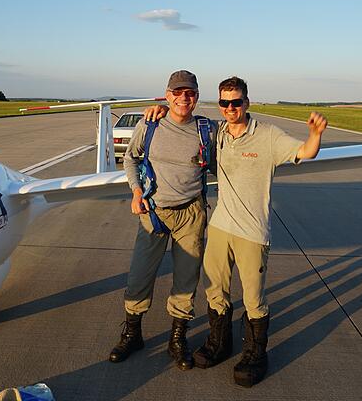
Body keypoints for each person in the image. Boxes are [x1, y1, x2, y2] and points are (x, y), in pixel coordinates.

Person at [144, 76, 327, 386]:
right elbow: (184, 120)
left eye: (236, 102)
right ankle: (220, 342)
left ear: (247, 103)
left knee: (254, 298)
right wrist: (159, 111)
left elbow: (306, 152)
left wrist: (315, 133)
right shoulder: (218, 134)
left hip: (252, 232)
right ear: (220, 105)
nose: (231, 108)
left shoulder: (268, 136)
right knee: (215, 290)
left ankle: (256, 353)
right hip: (220, 227)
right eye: (225, 103)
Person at [109, 70, 216, 371]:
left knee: (186, 278)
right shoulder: (151, 124)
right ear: (167, 95)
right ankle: (133, 333)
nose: (185, 97)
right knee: (140, 275)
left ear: (196, 96)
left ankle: (177, 338)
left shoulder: (207, 130)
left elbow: (228, 157)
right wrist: (135, 191)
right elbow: (131, 158)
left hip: (191, 213)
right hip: (153, 213)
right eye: (178, 92)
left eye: (190, 92)